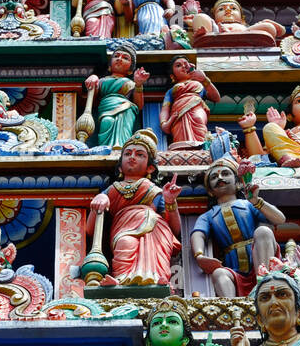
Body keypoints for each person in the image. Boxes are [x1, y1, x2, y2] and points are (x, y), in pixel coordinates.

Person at [87, 130, 179, 286]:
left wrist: (170, 202)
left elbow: (175, 229)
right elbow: (90, 230)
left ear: (150, 168)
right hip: (123, 228)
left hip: (155, 229)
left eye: (140, 154)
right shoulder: (111, 190)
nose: (132, 157)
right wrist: (98, 202)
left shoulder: (155, 191)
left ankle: (157, 278)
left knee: (155, 250)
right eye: (128, 153)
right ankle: (121, 281)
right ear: (120, 167)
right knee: (125, 244)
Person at [191, 155, 282, 300]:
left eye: (225, 174)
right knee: (219, 273)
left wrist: (257, 201)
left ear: (238, 183)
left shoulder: (248, 204)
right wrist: (199, 255)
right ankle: (234, 307)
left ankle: (264, 281)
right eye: (214, 177)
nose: (220, 178)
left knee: (263, 231)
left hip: (259, 257)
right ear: (210, 191)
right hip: (235, 272)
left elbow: (280, 219)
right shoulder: (209, 215)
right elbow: (198, 234)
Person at [85, 43, 147, 149]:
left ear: (131, 70)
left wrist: (139, 85)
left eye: (125, 58)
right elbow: (93, 100)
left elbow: (139, 105)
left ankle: (122, 147)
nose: (119, 59)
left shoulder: (131, 83)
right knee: (107, 122)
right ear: (109, 66)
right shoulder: (102, 80)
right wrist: (93, 79)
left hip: (126, 109)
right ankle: (105, 148)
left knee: (124, 129)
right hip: (106, 107)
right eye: (116, 56)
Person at [159, 57, 220, 149]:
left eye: (185, 64)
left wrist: (204, 80)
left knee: (198, 120)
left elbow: (216, 98)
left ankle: (202, 148)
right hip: (178, 113)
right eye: (178, 65)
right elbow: (165, 109)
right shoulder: (171, 91)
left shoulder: (200, 85)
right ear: (172, 76)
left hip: (196, 107)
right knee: (180, 130)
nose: (183, 66)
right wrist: (164, 123)